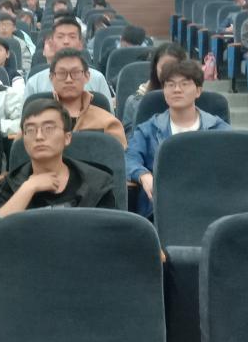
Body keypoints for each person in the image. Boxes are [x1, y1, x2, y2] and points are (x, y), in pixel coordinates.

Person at [0, 99, 118, 237]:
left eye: (48, 128)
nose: (39, 136)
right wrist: (28, 188)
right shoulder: (10, 185)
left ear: (67, 137)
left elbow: (111, 236)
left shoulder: (96, 182)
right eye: (30, 130)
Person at [126, 60, 230, 218]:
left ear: (198, 91)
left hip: (209, 208)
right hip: (160, 210)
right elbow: (129, 158)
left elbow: (234, 164)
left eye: (184, 84)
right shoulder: (149, 129)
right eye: (170, 84)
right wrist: (143, 175)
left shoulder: (218, 129)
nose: (177, 90)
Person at [48, 48, 126, 146]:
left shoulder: (107, 123)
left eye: (75, 73)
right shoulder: (38, 121)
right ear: (51, 78)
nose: (69, 80)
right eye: (62, 73)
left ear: (87, 76)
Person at [23, 16, 111, 102]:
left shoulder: (97, 79)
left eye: (72, 37)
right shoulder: (34, 83)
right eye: (60, 37)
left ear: (81, 44)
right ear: (51, 44)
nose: (66, 42)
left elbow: (107, 111)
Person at [122, 43, 189, 136]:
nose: (168, 72)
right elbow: (130, 139)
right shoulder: (135, 103)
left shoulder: (194, 100)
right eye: (164, 67)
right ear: (155, 68)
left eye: (174, 68)